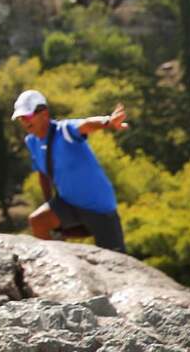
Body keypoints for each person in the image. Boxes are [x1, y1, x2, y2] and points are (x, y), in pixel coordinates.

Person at [12, 90, 128, 252]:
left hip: (99, 207)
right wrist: (50, 205)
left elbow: (86, 124)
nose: (24, 121)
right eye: (21, 118)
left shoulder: (64, 131)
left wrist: (108, 121)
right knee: (38, 221)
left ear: (44, 113)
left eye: (28, 116)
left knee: (117, 259)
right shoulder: (31, 141)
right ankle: (53, 265)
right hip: (68, 203)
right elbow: (43, 175)